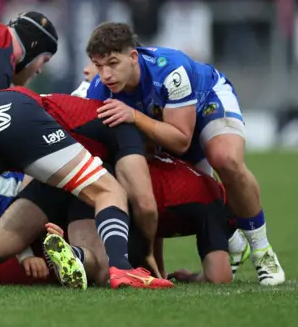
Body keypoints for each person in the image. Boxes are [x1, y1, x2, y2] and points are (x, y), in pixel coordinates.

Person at [84, 22, 284, 286]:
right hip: (163, 121)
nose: (106, 74)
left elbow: (181, 140)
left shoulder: (170, 70)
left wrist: (134, 117)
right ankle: (227, 242)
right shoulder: (98, 90)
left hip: (205, 102)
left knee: (225, 158)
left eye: (112, 63)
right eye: (99, 66)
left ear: (133, 57)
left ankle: (262, 251)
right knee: (164, 183)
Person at [0, 86, 173, 289]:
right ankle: (93, 261)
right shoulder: (123, 125)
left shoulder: (73, 101)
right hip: (80, 182)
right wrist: (148, 252)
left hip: (45, 178)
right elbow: (145, 204)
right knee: (108, 210)